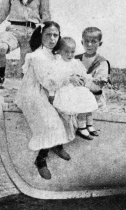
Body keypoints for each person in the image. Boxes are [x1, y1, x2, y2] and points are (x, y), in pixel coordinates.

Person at [14, 21, 83, 180]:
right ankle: (40, 160)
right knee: (52, 122)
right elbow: (47, 81)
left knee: (67, 110)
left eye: (55, 35)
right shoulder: (38, 55)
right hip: (33, 94)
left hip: (48, 92)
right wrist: (68, 78)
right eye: (48, 35)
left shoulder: (54, 54)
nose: (52, 39)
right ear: (41, 35)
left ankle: (57, 144)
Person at [52, 36, 100, 140]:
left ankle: (89, 125)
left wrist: (87, 78)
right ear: (59, 51)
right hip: (66, 89)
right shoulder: (58, 63)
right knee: (80, 103)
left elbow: (82, 72)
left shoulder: (75, 62)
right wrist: (69, 78)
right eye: (66, 52)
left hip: (76, 87)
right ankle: (81, 127)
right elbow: (57, 77)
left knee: (87, 97)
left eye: (72, 52)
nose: (70, 55)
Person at [74, 27, 110, 139]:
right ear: (82, 42)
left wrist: (80, 80)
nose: (89, 45)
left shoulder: (102, 63)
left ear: (100, 43)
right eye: (86, 41)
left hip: (95, 101)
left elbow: (96, 87)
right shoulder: (75, 59)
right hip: (77, 98)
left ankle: (87, 128)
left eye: (94, 41)